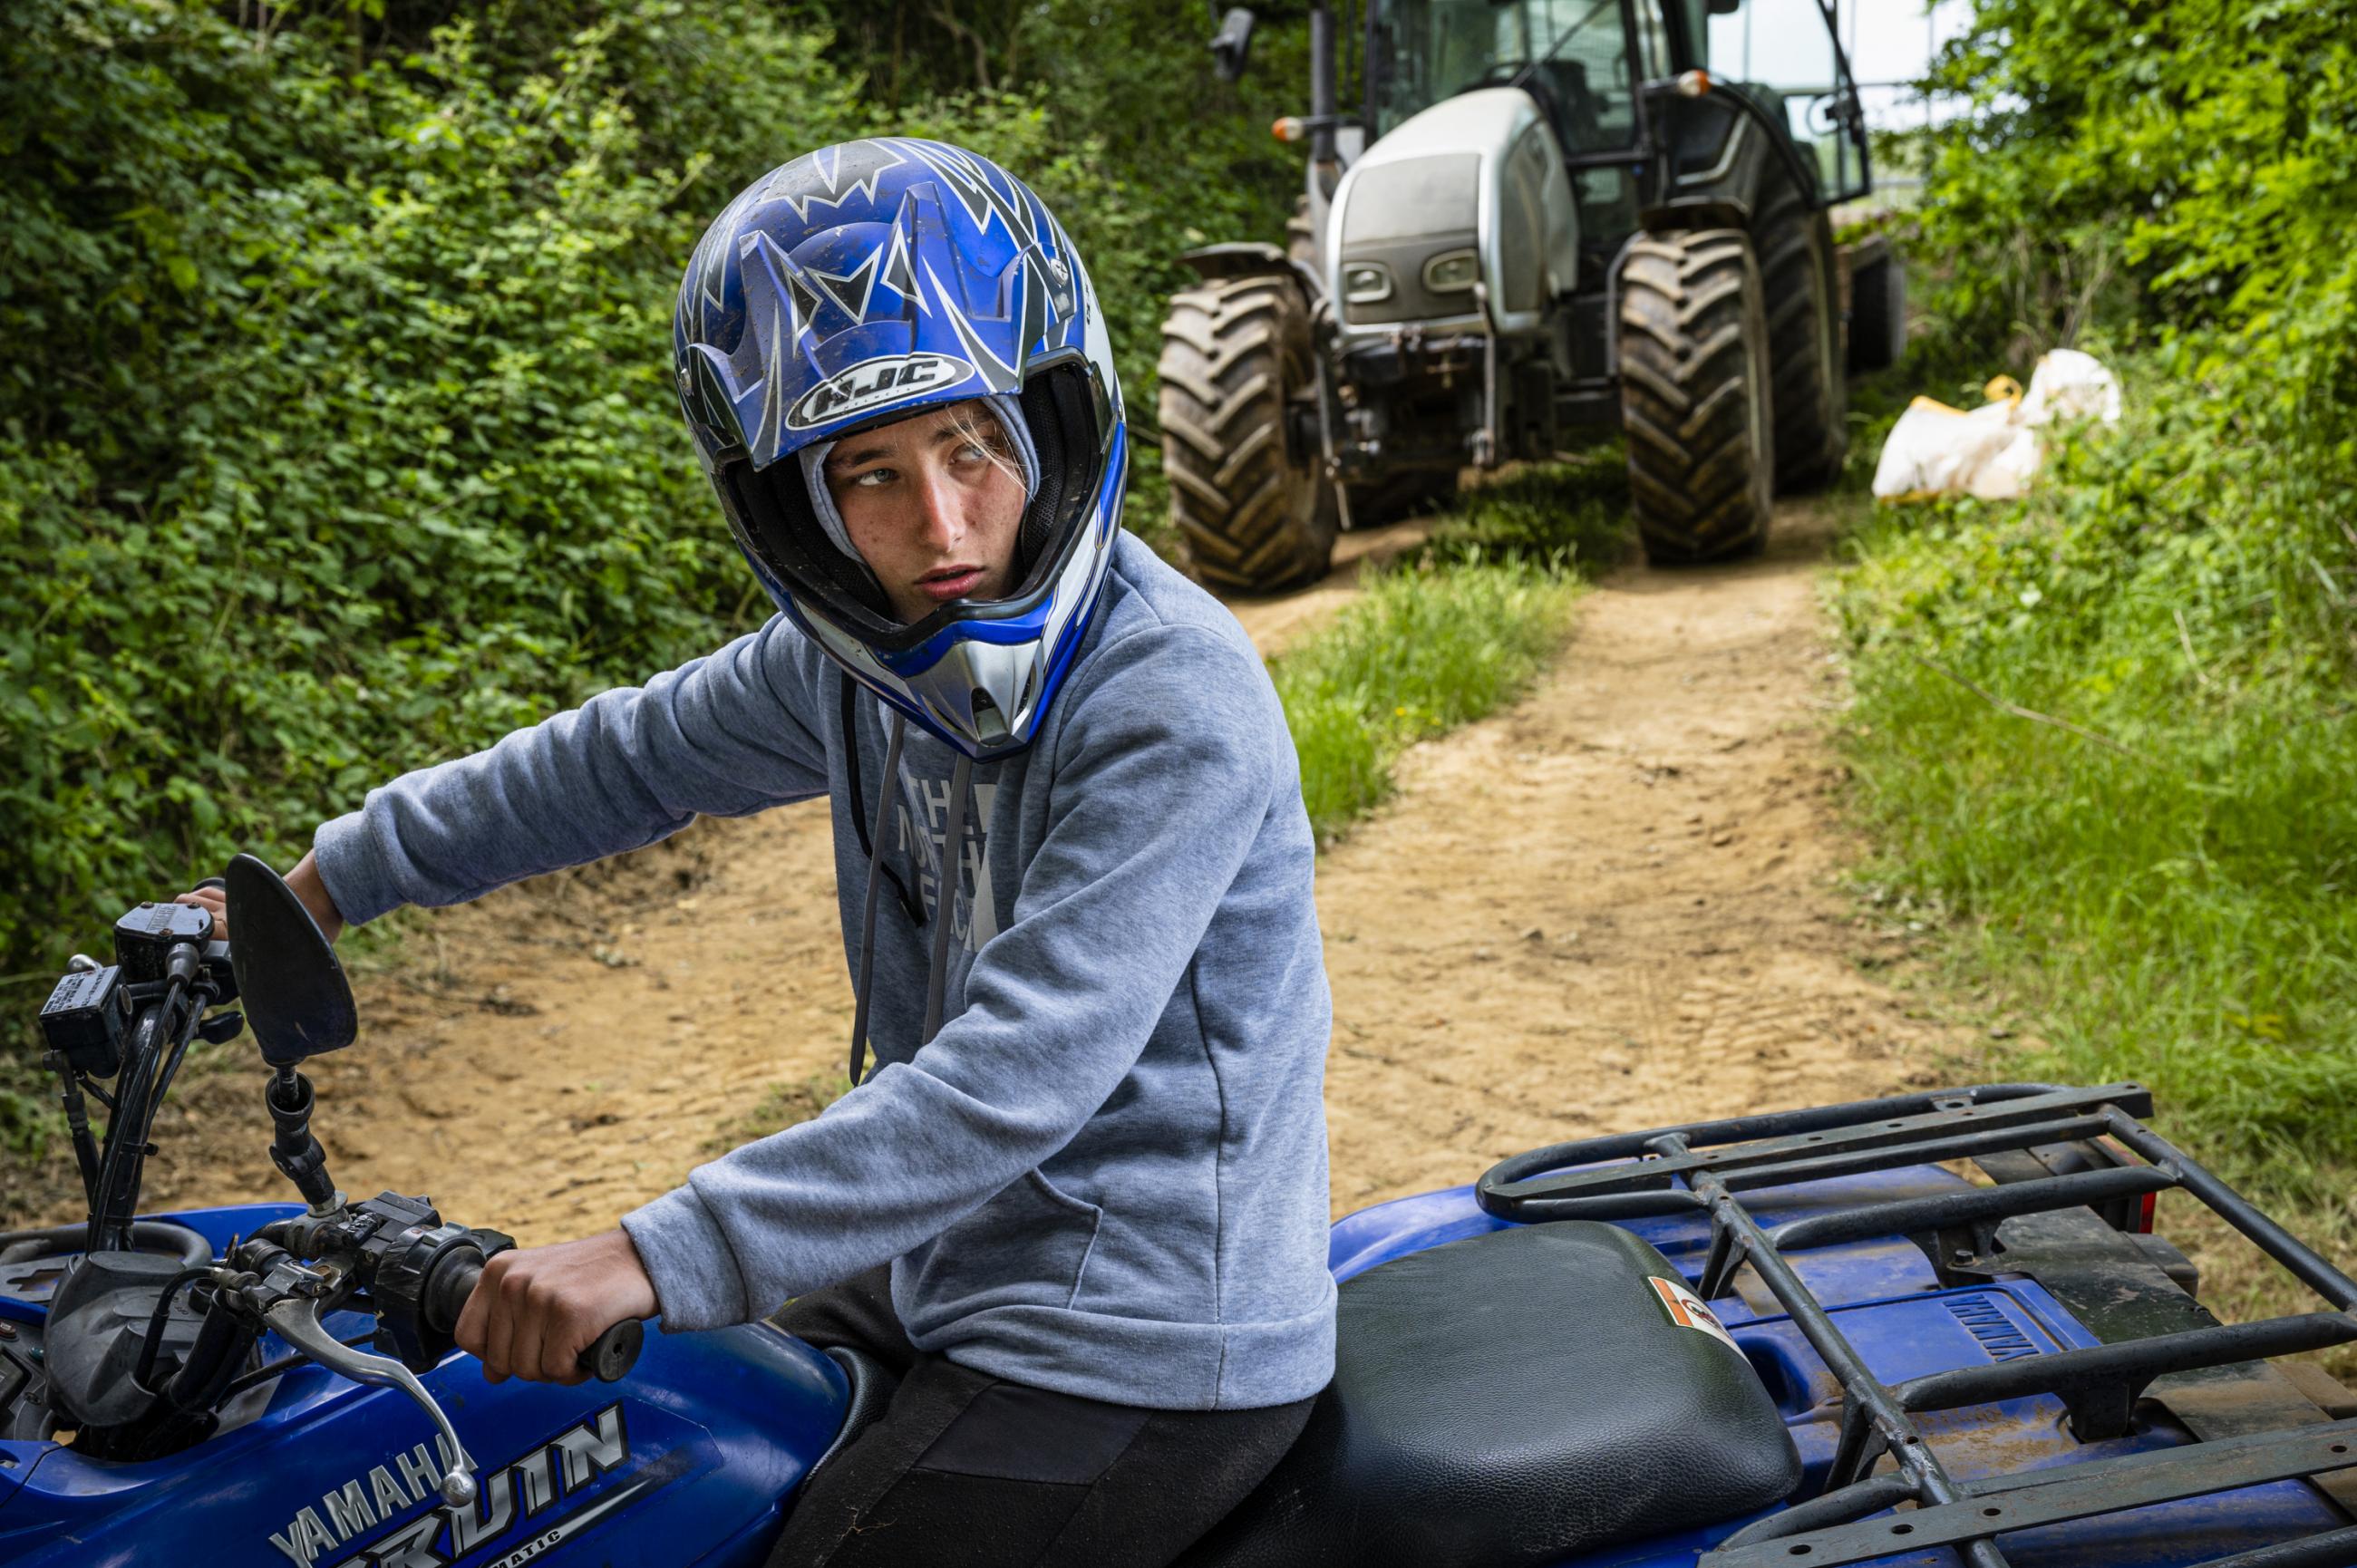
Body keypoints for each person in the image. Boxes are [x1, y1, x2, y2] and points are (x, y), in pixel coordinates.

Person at [179, 138, 1335, 1567]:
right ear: (802, 511)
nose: (942, 525)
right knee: (639, 1448)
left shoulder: (1167, 695)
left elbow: (1017, 1074)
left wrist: (649, 1248)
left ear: (1050, 426)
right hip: (951, 1263)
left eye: (971, 447)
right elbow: (622, 759)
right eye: (872, 472)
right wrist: (325, 885)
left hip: (1146, 1332)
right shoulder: (858, 666)